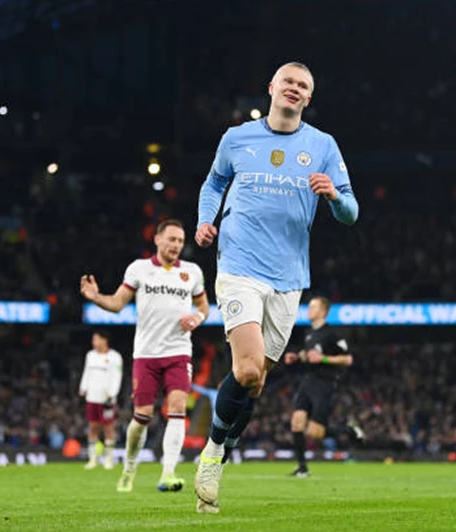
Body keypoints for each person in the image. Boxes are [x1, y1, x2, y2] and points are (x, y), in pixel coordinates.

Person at [194, 61, 359, 513]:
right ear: (271, 87)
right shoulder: (237, 138)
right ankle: (213, 453)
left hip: (288, 278)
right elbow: (214, 183)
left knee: (257, 382)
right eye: (288, 81)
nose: (294, 88)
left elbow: (351, 212)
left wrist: (334, 197)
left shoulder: (323, 146)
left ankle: (222, 448)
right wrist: (206, 220)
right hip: (238, 265)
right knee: (247, 369)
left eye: (303, 85)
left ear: (309, 98)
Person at [80, 219, 210, 493]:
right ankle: (129, 468)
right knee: (143, 415)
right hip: (146, 354)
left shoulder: (192, 272)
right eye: (171, 239)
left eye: (180, 241)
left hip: (178, 352)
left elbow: (203, 306)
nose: (176, 245)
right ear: (158, 239)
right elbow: (117, 303)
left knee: (177, 407)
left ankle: (168, 472)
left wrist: (197, 318)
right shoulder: (139, 269)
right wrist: (97, 297)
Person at [283, 296, 363, 477]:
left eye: (313, 307)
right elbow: (309, 354)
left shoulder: (333, 334)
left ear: (323, 311)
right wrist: (297, 356)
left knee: (315, 433)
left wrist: (324, 359)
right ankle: (302, 468)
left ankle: (349, 430)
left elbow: (348, 359)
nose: (309, 310)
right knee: (296, 422)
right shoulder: (309, 332)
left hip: (324, 383)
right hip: (308, 379)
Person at [79, 330, 123, 470]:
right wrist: (83, 387)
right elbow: (86, 372)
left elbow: (117, 376)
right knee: (93, 427)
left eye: (96, 339)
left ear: (105, 340)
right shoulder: (90, 355)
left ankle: (109, 458)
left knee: (108, 428)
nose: (94, 342)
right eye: (93, 340)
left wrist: (112, 393)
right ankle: (93, 459)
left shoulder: (115, 357)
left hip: (106, 398)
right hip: (92, 397)